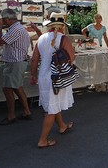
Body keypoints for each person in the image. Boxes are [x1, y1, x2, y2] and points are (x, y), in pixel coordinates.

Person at [30, 12, 75, 148]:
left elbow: (34, 59)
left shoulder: (41, 38)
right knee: (51, 109)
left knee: (53, 104)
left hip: (44, 75)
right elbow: (71, 58)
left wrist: (33, 75)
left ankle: (62, 126)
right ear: (62, 26)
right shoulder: (63, 39)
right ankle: (42, 140)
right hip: (58, 77)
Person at [0, 8, 32, 125]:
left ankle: (11, 115)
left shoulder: (15, 30)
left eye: (3, 20)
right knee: (17, 87)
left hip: (15, 62)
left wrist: (0, 27)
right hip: (17, 61)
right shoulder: (17, 28)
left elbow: (0, 42)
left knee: (8, 88)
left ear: (7, 19)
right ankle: (26, 111)